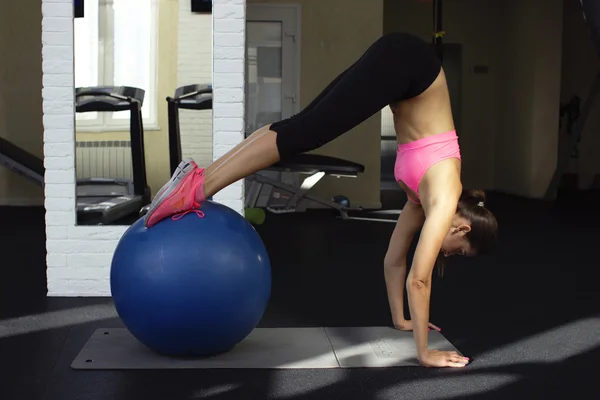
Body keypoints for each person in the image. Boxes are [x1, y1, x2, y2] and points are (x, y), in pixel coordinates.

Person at [143, 32, 498, 368]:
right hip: (411, 64)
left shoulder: (422, 197)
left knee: (301, 126)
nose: (449, 255)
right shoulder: (445, 194)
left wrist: (401, 319)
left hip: (404, 62)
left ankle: (198, 176)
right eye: (459, 249)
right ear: (463, 227)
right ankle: (198, 186)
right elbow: (419, 281)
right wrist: (425, 353)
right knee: (306, 132)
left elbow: (394, 261)